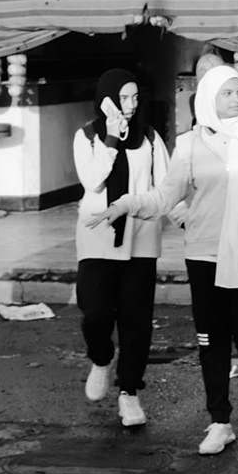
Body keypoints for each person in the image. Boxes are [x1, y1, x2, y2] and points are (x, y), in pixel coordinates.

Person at [99, 65, 238, 456]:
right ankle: (220, 422)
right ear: (209, 99)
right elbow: (166, 195)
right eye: (227, 93)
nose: (237, 99)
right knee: (211, 339)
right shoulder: (190, 144)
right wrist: (127, 203)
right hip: (204, 252)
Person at [72, 68, 173, 429]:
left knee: (136, 322)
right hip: (97, 237)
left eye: (135, 97)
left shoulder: (150, 138)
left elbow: (166, 189)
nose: (130, 105)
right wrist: (112, 139)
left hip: (140, 239)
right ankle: (101, 358)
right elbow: (93, 180)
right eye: (123, 98)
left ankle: (129, 391)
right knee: (95, 313)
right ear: (106, 100)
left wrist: (188, 219)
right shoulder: (87, 136)